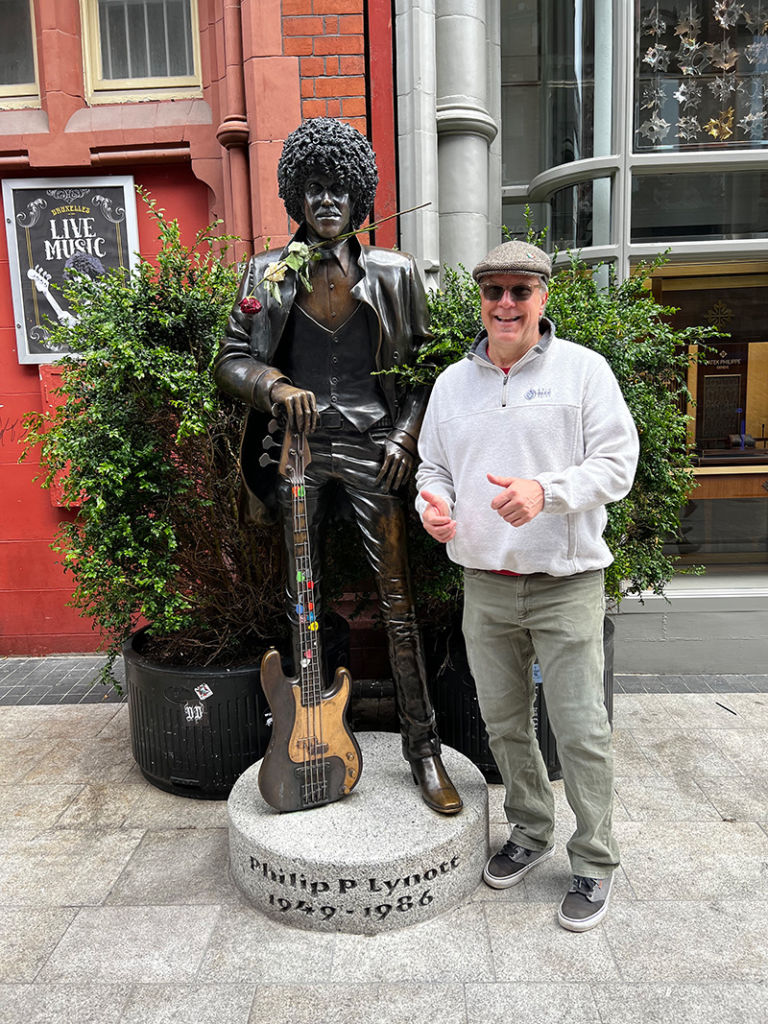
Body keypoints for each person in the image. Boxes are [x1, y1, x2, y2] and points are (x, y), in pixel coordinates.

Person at [214, 117, 462, 815]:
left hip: (373, 451)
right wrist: (274, 385)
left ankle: (424, 751)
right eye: (313, 190)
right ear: (295, 197)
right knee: (304, 603)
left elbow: (426, 369)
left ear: (360, 198)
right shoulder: (264, 274)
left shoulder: (396, 273)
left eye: (339, 190)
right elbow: (230, 359)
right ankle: (313, 738)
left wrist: (407, 438)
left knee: (397, 602)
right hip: (296, 452)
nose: (326, 202)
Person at [415, 240, 639, 929]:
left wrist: (546, 491)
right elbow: (432, 468)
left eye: (520, 290)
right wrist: (435, 507)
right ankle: (530, 831)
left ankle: (595, 861)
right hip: (485, 583)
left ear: (544, 298)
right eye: (494, 292)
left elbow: (618, 464)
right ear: (480, 301)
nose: (506, 304)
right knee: (506, 728)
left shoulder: (583, 372)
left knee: (580, 732)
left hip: (566, 583)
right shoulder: (453, 385)